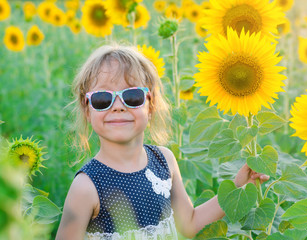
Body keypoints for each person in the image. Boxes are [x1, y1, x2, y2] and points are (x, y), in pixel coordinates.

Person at [55, 44, 269, 240]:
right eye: (103, 98)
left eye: (132, 96)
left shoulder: (164, 160)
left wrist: (238, 185)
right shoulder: (87, 186)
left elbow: (190, 223)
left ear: (151, 106)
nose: (118, 106)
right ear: (87, 109)